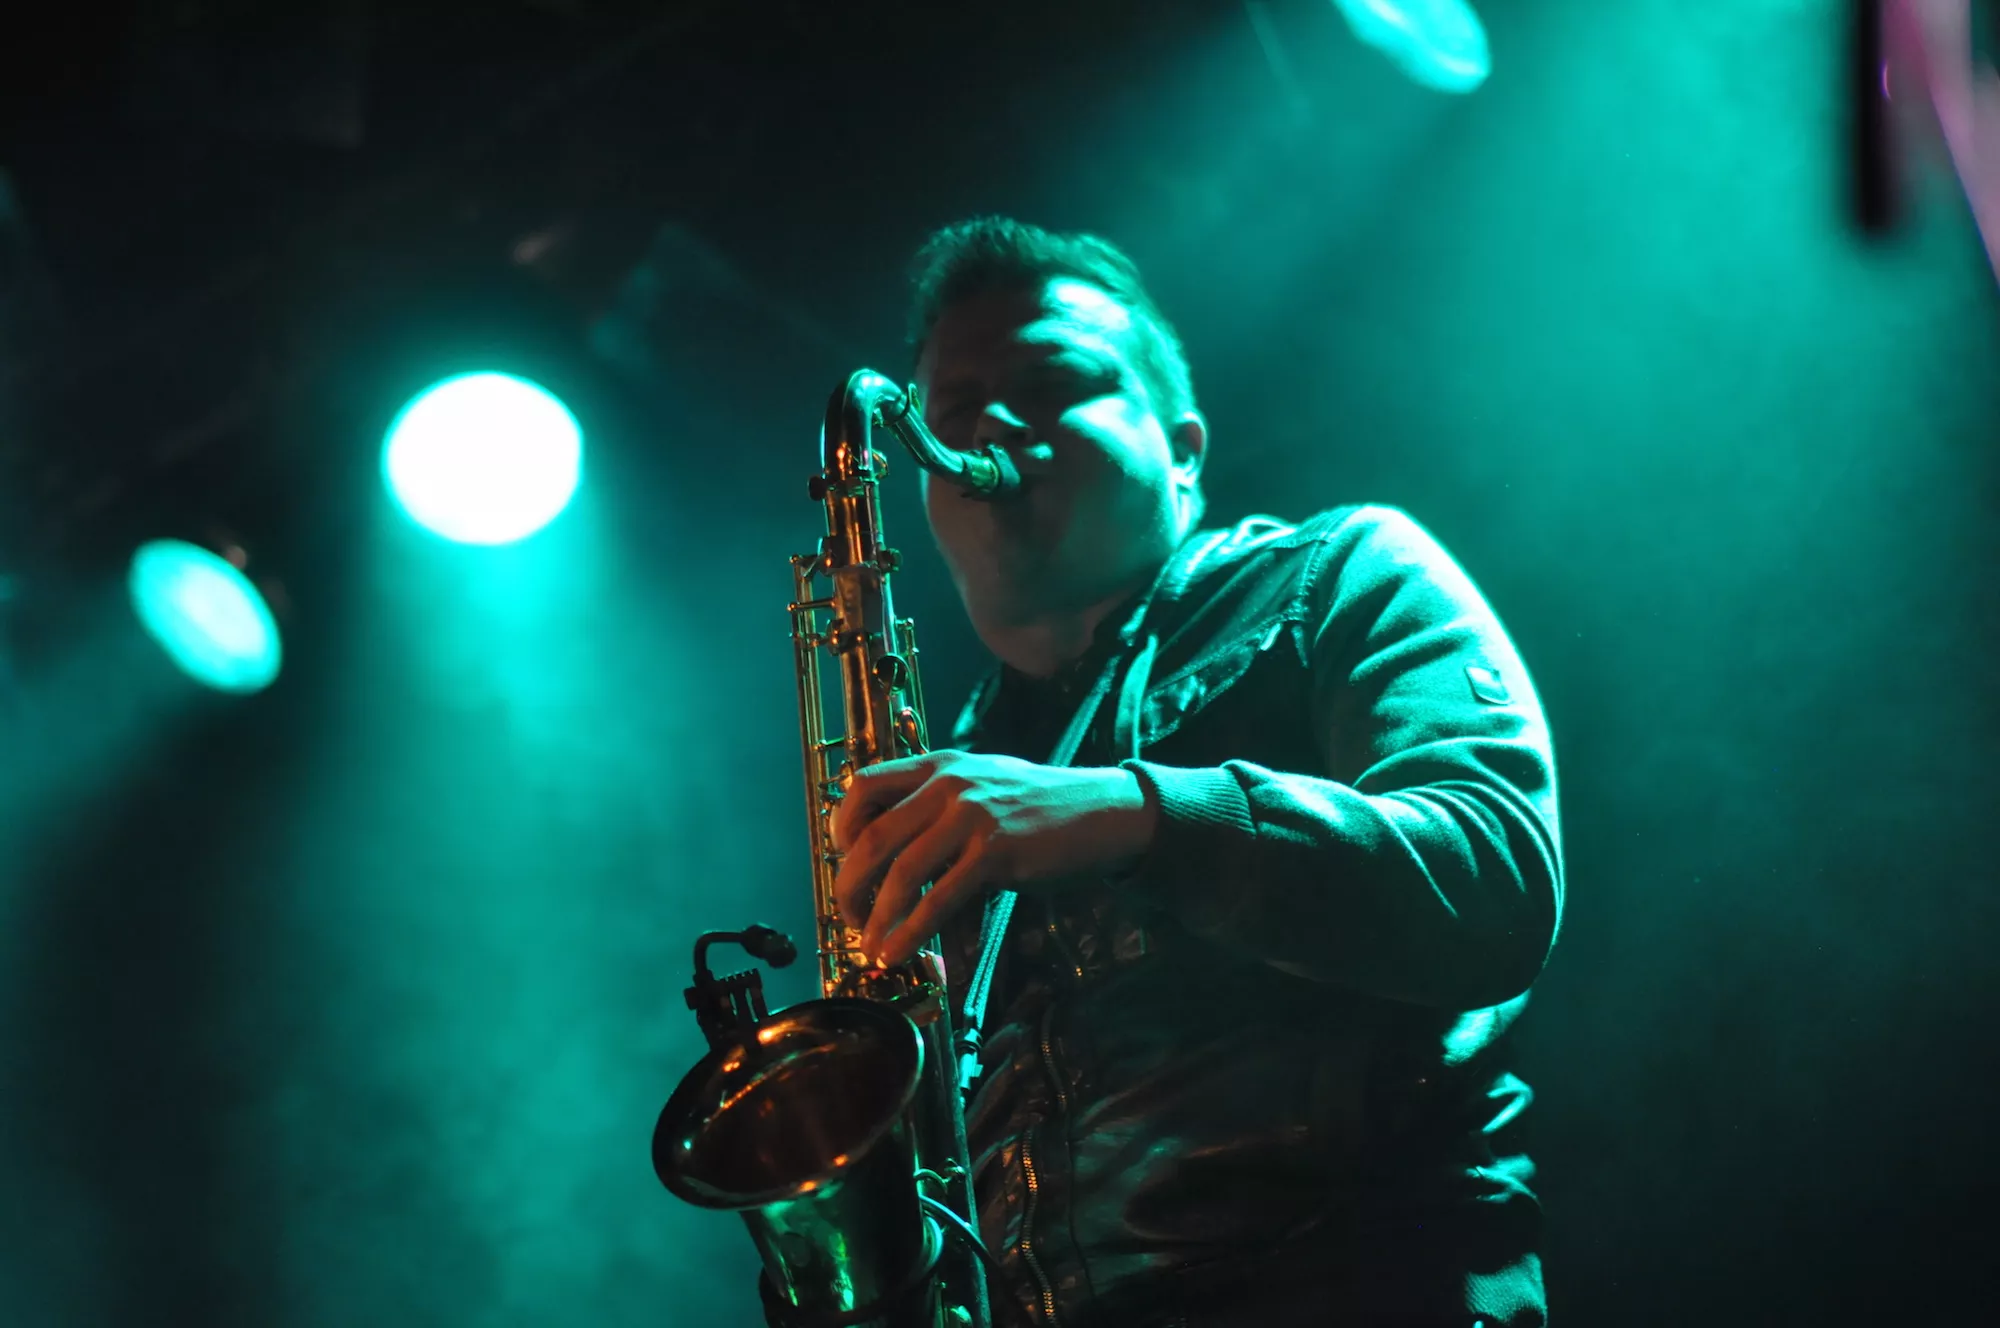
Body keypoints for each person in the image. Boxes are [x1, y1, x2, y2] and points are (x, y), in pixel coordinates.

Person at [830, 216, 1562, 1328]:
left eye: (1051, 383)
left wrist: (1129, 813)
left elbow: (1494, 878)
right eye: (953, 407)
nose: (988, 426)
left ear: (1181, 449)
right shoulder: (949, 771)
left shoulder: (1339, 571)